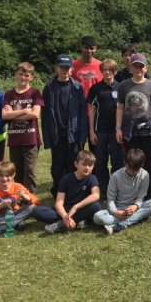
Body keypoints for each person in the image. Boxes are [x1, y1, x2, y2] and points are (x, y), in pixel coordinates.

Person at [116, 53, 151, 198]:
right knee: (131, 161)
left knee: (149, 162)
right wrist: (118, 128)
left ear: (146, 68)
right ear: (130, 68)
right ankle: (132, 191)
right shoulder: (124, 85)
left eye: (141, 66)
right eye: (135, 66)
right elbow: (120, 107)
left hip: (148, 132)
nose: (138, 69)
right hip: (131, 132)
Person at [42, 54, 88, 198]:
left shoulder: (77, 87)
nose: (64, 70)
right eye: (61, 67)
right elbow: (45, 116)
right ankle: (58, 192)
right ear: (56, 68)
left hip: (73, 134)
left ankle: (71, 192)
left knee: (72, 165)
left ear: (71, 69)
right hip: (57, 134)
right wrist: (47, 138)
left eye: (67, 67)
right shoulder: (49, 88)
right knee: (57, 166)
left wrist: (82, 135)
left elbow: (82, 113)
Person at [33, 151, 102, 234]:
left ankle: (61, 225)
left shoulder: (92, 178)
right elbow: (59, 203)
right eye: (84, 164)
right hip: (66, 209)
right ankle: (77, 221)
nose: (87, 168)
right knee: (37, 211)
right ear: (76, 164)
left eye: (90, 165)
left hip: (81, 209)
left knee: (96, 206)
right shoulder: (66, 179)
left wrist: (75, 207)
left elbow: (96, 195)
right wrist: (65, 216)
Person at [93, 149, 151, 234]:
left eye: (135, 170)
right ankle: (140, 217)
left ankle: (121, 225)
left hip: (134, 208)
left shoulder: (145, 175)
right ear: (125, 162)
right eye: (129, 168)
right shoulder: (115, 176)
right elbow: (110, 199)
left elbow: (141, 197)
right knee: (97, 217)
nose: (132, 172)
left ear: (141, 165)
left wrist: (135, 206)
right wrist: (115, 212)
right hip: (119, 208)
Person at [2, 62, 43, 193]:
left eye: (27, 75)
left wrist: (13, 114)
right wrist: (24, 111)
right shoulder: (9, 94)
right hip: (15, 139)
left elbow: (35, 114)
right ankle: (19, 196)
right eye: (20, 74)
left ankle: (30, 198)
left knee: (29, 171)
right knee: (17, 171)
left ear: (31, 77)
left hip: (31, 139)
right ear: (16, 75)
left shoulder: (35, 93)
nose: (23, 77)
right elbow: (4, 115)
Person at [86, 58, 124, 198]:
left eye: (110, 70)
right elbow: (92, 111)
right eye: (105, 70)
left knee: (117, 161)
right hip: (100, 130)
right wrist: (91, 131)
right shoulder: (96, 88)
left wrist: (120, 129)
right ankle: (103, 188)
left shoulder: (121, 87)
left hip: (116, 131)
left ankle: (116, 188)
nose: (107, 72)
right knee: (100, 161)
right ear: (101, 71)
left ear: (115, 71)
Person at [0, 161, 39, 237]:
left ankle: (1, 228)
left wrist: (24, 196)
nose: (4, 179)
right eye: (1, 175)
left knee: (33, 207)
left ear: (13, 175)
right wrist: (0, 206)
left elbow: (36, 201)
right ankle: (17, 223)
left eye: (7, 176)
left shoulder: (17, 186)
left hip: (14, 213)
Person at [71, 36, 102, 102]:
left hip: (96, 104)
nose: (89, 51)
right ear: (81, 47)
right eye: (86, 48)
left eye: (92, 48)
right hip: (77, 104)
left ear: (95, 48)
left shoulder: (101, 66)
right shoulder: (72, 65)